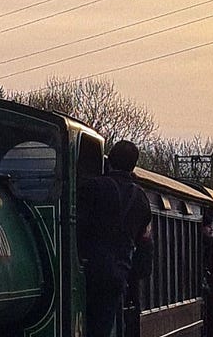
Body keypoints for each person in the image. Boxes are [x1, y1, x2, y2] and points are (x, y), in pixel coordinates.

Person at [77, 140, 153, 337]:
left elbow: (78, 226)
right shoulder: (141, 199)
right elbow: (144, 243)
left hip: (87, 270)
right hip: (118, 273)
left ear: (109, 161)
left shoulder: (92, 187)